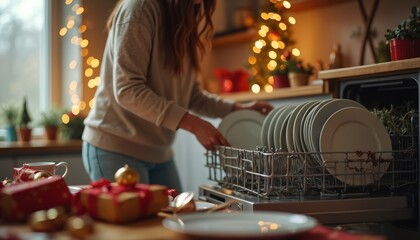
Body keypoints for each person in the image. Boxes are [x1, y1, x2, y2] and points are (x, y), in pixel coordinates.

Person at [81, 0, 273, 191]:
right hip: (115, 148)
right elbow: (127, 90)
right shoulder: (139, 9)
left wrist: (237, 110)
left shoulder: (187, 17)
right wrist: (195, 124)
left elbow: (191, 95)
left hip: (160, 154)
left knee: (178, 219)